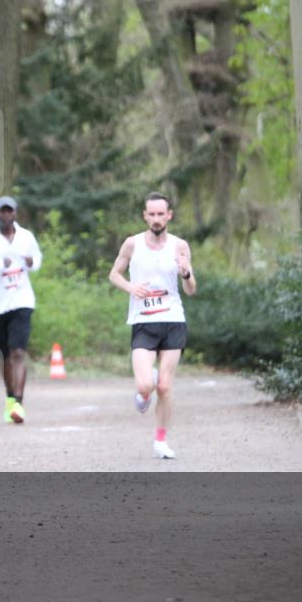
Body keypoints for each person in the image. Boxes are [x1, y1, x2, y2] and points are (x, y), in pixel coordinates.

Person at [108, 192, 196, 459]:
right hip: (143, 322)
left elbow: (191, 289)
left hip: (172, 320)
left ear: (169, 215)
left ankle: (160, 440)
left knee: (166, 387)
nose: (156, 219)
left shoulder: (180, 246)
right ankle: (146, 391)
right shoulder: (132, 244)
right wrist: (131, 287)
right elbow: (114, 274)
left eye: (161, 214)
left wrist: (186, 273)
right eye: (152, 214)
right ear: (145, 216)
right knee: (146, 385)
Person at [0, 196, 42, 424]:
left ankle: (19, 404)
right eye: (2, 211)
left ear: (15, 213)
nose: (6, 215)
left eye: (9, 211)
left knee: (18, 353)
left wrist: (31, 261)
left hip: (22, 301)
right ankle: (10, 398)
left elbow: (38, 261)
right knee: (4, 355)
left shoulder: (26, 237)